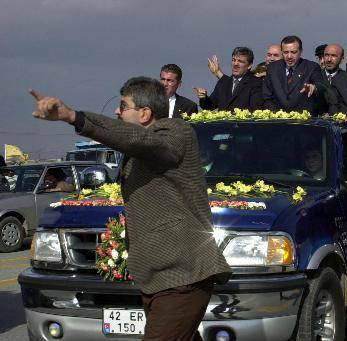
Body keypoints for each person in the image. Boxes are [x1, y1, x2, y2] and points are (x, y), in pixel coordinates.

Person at [29, 77, 231, 341]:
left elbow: (142, 141)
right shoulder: (138, 152)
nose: (117, 112)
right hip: (159, 280)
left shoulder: (176, 133)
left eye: (123, 107)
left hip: (183, 278)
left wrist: (73, 117)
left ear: (145, 113)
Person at [263, 35, 322, 113]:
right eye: (286, 52)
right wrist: (276, 114)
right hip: (277, 119)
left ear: (301, 51)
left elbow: (320, 84)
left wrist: (314, 87)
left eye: (293, 52)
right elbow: (267, 96)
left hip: (303, 120)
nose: (289, 56)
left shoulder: (311, 67)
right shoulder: (272, 68)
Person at [195, 47, 263, 111]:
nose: (235, 64)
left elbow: (255, 109)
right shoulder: (224, 83)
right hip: (223, 123)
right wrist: (203, 98)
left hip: (242, 123)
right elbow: (210, 106)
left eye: (240, 61)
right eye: (233, 60)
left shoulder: (256, 83)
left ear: (249, 65)